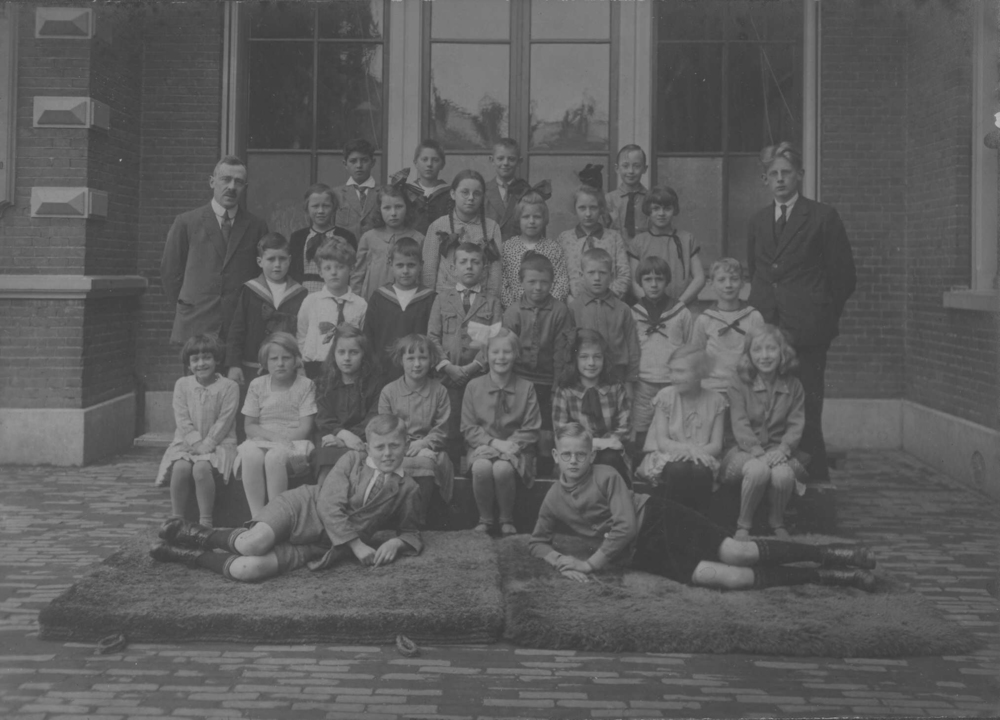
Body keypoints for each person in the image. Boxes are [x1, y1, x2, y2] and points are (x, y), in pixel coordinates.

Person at [528, 423, 876, 592]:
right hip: (642, 553)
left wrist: (589, 564)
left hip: (660, 518)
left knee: (738, 553)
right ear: (556, 456)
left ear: (591, 455)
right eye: (566, 454)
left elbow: (625, 526)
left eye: (581, 454)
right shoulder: (554, 499)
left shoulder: (606, 476)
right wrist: (559, 560)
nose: (574, 461)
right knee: (732, 578)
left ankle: (829, 554)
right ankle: (824, 576)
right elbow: (537, 542)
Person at [150, 414, 424, 582]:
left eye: (394, 445)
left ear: (407, 446)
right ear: (368, 447)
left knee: (246, 570)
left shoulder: (408, 488)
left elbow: (411, 531)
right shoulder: (352, 460)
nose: (387, 453)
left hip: (321, 545)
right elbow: (328, 504)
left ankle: (190, 555)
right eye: (380, 447)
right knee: (252, 543)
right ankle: (194, 533)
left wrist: (396, 542)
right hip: (301, 509)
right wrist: (357, 545)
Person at [747, 142, 856, 482]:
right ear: (765, 179)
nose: (780, 179)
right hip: (768, 331)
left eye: (786, 173)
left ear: (800, 175)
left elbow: (844, 277)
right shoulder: (758, 220)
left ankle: (813, 486)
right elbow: (757, 271)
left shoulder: (823, 217)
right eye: (773, 174)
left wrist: (820, 315)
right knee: (768, 407)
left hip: (808, 331)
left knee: (806, 406)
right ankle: (772, 484)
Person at [160, 155, 269, 348]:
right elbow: (170, 274)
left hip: (238, 327)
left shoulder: (256, 226)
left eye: (239, 182)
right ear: (212, 182)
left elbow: (261, 277)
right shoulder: (186, 222)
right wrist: (189, 306)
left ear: (245, 187)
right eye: (225, 179)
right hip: (195, 324)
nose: (232, 187)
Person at [720, 325, 808, 539]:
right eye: (757, 349)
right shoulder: (739, 383)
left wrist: (784, 449)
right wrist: (757, 452)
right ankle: (743, 524)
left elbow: (796, 424)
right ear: (749, 354)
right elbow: (739, 423)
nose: (765, 356)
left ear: (782, 352)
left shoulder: (794, 385)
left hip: (778, 450)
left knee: (783, 475)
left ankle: (777, 521)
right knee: (758, 470)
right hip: (743, 450)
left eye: (771, 349)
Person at [154, 334, 240, 529]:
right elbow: (182, 419)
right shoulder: (182, 385)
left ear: (217, 359)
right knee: (180, 467)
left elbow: (225, 420)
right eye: (195, 359)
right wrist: (196, 443)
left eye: (207, 358)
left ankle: (205, 523)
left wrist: (206, 445)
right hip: (188, 442)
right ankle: (177, 519)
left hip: (219, 443)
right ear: (188, 363)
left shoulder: (229, 387)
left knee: (201, 469)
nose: (201, 364)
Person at [462, 328, 542, 536]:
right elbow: (469, 427)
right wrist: (494, 444)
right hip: (482, 447)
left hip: (517, 449)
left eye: (507, 352)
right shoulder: (473, 387)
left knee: (502, 468)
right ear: (486, 354)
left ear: (516, 354)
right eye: (495, 352)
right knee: (481, 466)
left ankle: (506, 518)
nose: (501, 357)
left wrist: (510, 446)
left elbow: (531, 428)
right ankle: (485, 519)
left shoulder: (526, 387)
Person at [503, 253, 576, 470]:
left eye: (544, 282)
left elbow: (562, 353)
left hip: (547, 382)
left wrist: (556, 387)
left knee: (546, 434)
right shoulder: (514, 311)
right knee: (520, 431)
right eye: (532, 281)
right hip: (519, 382)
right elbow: (506, 352)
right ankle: (521, 471)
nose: (538, 287)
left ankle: (545, 473)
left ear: (552, 282)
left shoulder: (560, 311)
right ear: (521, 281)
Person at [427, 242, 502, 449]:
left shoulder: (492, 302)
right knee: (449, 431)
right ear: (453, 268)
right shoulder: (441, 299)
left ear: (484, 268)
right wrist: (447, 367)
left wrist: (473, 367)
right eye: (463, 262)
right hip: (447, 378)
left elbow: (495, 339)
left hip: (478, 377)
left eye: (475, 262)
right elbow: (432, 337)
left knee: (476, 429)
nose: (469, 266)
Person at [638, 346, 725, 516]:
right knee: (678, 469)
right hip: (668, 454)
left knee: (701, 470)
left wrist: (694, 453)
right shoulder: (665, 396)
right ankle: (673, 521)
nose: (673, 377)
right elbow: (662, 442)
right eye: (671, 371)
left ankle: (700, 522)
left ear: (699, 373)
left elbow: (716, 446)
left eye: (680, 371)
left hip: (703, 456)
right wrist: (689, 449)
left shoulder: (716, 400)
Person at [237, 332, 316, 517]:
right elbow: (250, 426)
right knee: (250, 455)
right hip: (262, 439)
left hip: (293, 443)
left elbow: (305, 427)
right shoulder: (257, 385)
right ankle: (257, 518)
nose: (280, 363)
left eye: (286, 358)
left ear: (296, 360)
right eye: (274, 359)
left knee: (275, 457)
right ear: (265, 362)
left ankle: (276, 517)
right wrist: (273, 437)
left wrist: (281, 441)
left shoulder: (305, 385)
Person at [378, 335, 455, 514]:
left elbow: (442, 429)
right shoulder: (389, 392)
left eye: (423, 358)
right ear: (401, 360)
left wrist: (424, 443)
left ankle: (419, 517)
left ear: (431, 360)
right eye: (410, 358)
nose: (417, 364)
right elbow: (385, 428)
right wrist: (404, 445)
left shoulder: (440, 391)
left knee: (427, 464)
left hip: (429, 448)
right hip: (398, 448)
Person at [226, 233, 308, 390]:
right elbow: (237, 329)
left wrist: (300, 362)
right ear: (260, 261)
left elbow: (302, 333)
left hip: (286, 368)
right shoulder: (250, 290)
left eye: (282, 259)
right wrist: (233, 364)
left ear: (289, 260)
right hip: (252, 367)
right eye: (271, 259)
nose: (277, 264)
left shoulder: (299, 293)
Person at [552, 329, 632, 486]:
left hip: (610, 454)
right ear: (575, 359)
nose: (591, 363)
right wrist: (592, 444)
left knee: (609, 458)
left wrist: (604, 444)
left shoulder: (615, 388)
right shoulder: (565, 391)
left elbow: (624, 427)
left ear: (604, 359)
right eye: (584, 357)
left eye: (597, 357)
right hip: (577, 453)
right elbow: (561, 431)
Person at [630, 256, 692, 446]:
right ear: (640, 282)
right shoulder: (633, 313)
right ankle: (641, 461)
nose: (654, 284)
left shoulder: (681, 312)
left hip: (673, 382)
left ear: (667, 281)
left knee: (674, 427)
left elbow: (690, 347)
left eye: (659, 279)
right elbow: (630, 349)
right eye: (648, 279)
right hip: (644, 383)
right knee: (642, 428)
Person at [363, 237, 437, 385]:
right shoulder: (379, 297)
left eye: (411, 265)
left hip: (420, 374)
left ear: (421, 265)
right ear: (390, 264)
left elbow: (434, 338)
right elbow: (368, 337)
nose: (405, 271)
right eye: (400, 265)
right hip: (383, 373)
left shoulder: (430, 298)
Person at [313, 325, 380, 486]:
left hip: (362, 440)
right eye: (341, 352)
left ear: (364, 355)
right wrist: (342, 434)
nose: (347, 358)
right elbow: (324, 418)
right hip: (331, 437)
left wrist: (347, 440)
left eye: (354, 352)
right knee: (327, 455)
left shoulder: (375, 385)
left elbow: (373, 418)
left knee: (359, 458)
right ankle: (322, 498)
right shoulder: (324, 384)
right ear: (334, 354)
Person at [568, 249, 640, 395]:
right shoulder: (574, 308)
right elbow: (568, 348)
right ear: (581, 276)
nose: (597, 278)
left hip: (617, 376)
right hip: (585, 376)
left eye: (602, 273)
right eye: (591, 272)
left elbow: (632, 347)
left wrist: (630, 381)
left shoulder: (623, 309)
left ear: (612, 276)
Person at [422, 169, 504, 298]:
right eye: (465, 192)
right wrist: (430, 302)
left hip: (480, 300)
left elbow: (495, 273)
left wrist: (491, 302)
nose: (471, 198)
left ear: (483, 197)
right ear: (453, 194)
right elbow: (428, 271)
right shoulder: (438, 226)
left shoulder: (492, 228)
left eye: (477, 193)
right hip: (444, 299)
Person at [296, 240, 367, 379]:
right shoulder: (311, 301)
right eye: (327, 268)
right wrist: (301, 363)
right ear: (320, 272)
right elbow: (301, 334)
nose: (334, 272)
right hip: (315, 366)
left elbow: (363, 339)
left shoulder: (360, 304)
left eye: (340, 267)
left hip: (347, 367)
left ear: (351, 269)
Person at [692, 258, 765, 393]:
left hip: (745, 389)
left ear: (743, 282)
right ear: (711, 284)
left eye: (734, 279)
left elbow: (760, 355)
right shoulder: (705, 319)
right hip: (711, 389)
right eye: (721, 280)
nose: (728, 285)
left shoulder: (753, 317)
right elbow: (696, 357)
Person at [628, 186, 706, 306]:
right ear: (648, 210)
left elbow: (699, 278)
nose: (661, 213)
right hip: (650, 308)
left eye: (667, 208)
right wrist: (653, 306)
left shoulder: (687, 239)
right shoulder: (639, 242)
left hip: (684, 306)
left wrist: (678, 305)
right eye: (656, 208)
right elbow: (634, 282)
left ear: (674, 210)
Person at [352, 183, 425, 300]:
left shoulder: (418, 238)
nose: (393, 213)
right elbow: (358, 275)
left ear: (407, 208)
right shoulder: (369, 238)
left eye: (399, 206)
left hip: (407, 300)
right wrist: (356, 302)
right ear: (379, 209)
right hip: (373, 300)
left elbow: (422, 276)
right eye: (387, 208)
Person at [557, 185, 631, 301]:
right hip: (574, 304)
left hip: (609, 302)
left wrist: (609, 298)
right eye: (582, 208)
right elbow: (558, 275)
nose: (588, 214)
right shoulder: (564, 239)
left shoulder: (614, 237)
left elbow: (624, 273)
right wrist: (568, 299)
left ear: (601, 208)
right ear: (574, 209)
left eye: (593, 208)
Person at [499, 191, 569, 307]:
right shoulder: (507, 248)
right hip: (515, 311)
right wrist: (516, 309)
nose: (531, 221)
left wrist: (546, 309)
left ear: (544, 219)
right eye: (526, 217)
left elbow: (561, 284)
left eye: (537, 217)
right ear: (519, 219)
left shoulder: (554, 248)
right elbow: (502, 284)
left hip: (548, 311)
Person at [289, 184, 358, 293]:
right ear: (307, 208)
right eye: (315, 206)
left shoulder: (346, 236)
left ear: (334, 208)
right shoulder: (298, 237)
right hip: (303, 294)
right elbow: (292, 272)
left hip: (336, 293)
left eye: (326, 206)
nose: (321, 211)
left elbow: (352, 271)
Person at [390, 139, 451, 234]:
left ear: (442, 164)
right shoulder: (406, 192)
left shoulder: (449, 193)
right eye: (424, 159)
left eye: (435, 160)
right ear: (416, 163)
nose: (429, 164)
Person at [333, 138, 380, 245]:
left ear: (373, 162)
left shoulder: (383, 193)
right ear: (345, 164)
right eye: (353, 161)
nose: (359, 165)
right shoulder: (336, 194)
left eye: (364, 160)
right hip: (344, 250)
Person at [484, 137, 526, 241]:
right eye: (500, 158)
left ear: (519, 161)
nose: (506, 163)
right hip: (488, 249)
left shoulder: (527, 192)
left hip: (519, 249)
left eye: (511, 159)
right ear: (492, 160)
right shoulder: (482, 191)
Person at [606, 143, 649, 242]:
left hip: (644, 249)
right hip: (616, 248)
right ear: (617, 168)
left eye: (636, 166)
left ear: (644, 169)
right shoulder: (608, 200)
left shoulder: (650, 198)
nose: (631, 171)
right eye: (625, 166)